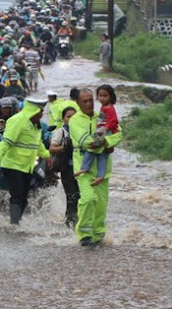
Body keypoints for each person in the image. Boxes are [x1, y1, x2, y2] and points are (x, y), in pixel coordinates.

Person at [69, 89, 122, 247]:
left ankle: (98, 235)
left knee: (100, 205)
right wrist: (104, 144)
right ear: (77, 103)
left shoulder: (102, 115)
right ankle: (84, 234)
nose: (88, 104)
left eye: (90, 100)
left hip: (103, 170)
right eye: (84, 101)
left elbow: (118, 133)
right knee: (88, 199)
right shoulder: (74, 120)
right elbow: (86, 142)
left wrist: (107, 142)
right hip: (83, 169)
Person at [0, 98, 51, 225]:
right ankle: (14, 225)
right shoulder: (18, 121)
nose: (42, 114)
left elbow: (37, 143)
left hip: (26, 166)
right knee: (17, 195)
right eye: (40, 111)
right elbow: (5, 142)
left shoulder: (35, 124)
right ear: (33, 111)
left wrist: (46, 155)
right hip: (12, 165)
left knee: (24, 199)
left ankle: (16, 221)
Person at [74, 85, 119, 186]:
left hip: (104, 131)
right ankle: (92, 172)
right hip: (102, 131)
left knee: (95, 151)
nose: (102, 98)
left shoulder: (108, 109)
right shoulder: (75, 119)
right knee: (99, 152)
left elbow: (115, 124)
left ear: (110, 97)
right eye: (100, 96)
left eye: (105, 96)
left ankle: (90, 171)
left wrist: (106, 133)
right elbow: (84, 142)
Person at [49, 106, 79, 227]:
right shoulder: (61, 132)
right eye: (68, 117)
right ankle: (70, 223)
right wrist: (63, 148)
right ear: (63, 119)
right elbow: (52, 148)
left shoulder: (82, 131)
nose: (71, 119)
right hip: (67, 169)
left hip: (82, 169)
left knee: (82, 197)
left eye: (74, 116)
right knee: (71, 197)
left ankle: (80, 222)